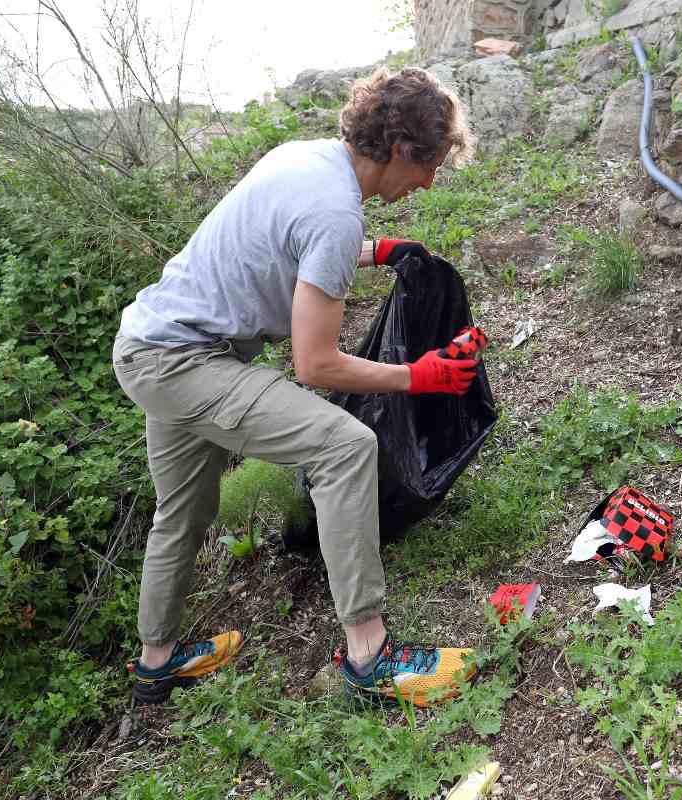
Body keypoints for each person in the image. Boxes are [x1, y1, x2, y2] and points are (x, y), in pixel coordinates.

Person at [112, 66, 480, 707]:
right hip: (185, 361)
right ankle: (370, 655)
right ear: (399, 150)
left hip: (147, 345)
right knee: (344, 446)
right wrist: (417, 376)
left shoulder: (305, 159)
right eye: (430, 166)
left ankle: (156, 663)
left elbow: (285, 242)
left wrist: (374, 250)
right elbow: (315, 365)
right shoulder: (334, 210)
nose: (427, 182)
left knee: (183, 509)